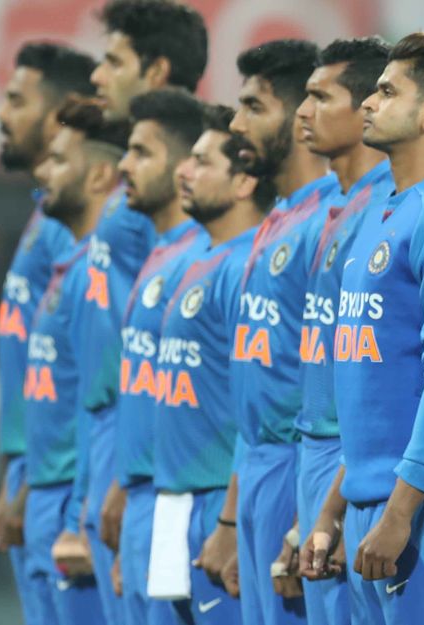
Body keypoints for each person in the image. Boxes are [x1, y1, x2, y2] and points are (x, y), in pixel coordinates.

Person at [314, 32, 424, 624]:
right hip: (369, 504)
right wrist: (337, 509)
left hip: (416, 509)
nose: (369, 101)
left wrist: (400, 512)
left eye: (387, 92)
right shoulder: (385, 209)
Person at [72, 4, 210, 622]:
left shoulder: (178, 191)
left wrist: (139, 474)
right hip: (115, 429)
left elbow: (172, 341)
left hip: (150, 442)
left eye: (113, 61)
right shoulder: (135, 181)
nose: (97, 76)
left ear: (155, 70)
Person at [216, 37, 339, 625]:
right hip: (260, 467)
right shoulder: (279, 217)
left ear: (300, 116)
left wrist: (308, 511)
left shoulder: (329, 219)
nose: (236, 124)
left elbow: (340, 375)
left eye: (253, 108)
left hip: (301, 466)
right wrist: (231, 513)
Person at [0, 41, 95, 625]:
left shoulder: (71, 223)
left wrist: (32, 486)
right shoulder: (45, 213)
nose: (3, 114)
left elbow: (91, 363)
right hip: (37, 474)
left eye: (16, 100)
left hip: (63, 482)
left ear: (61, 112)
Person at [148, 119, 274, 625]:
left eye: (202, 162)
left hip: (219, 496)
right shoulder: (200, 259)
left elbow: (257, 406)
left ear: (243, 182)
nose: (185, 171)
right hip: (175, 499)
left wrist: (228, 519)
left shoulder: (245, 267)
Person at [292, 36, 394, 625]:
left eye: (320, 97)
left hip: (354, 456)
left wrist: (330, 505)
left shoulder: (389, 209)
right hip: (319, 451)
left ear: (366, 108)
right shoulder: (335, 207)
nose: (304, 112)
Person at [23, 97, 130, 625]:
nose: (44, 173)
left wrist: (78, 510)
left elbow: (109, 400)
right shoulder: (74, 265)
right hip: (63, 493)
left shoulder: (99, 270)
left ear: (100, 176)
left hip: (83, 494)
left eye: (60, 160)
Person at [112, 89, 207, 625]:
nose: (124, 165)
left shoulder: (200, 256)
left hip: (179, 495)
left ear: (183, 164)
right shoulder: (162, 251)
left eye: (142, 152)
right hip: (143, 494)